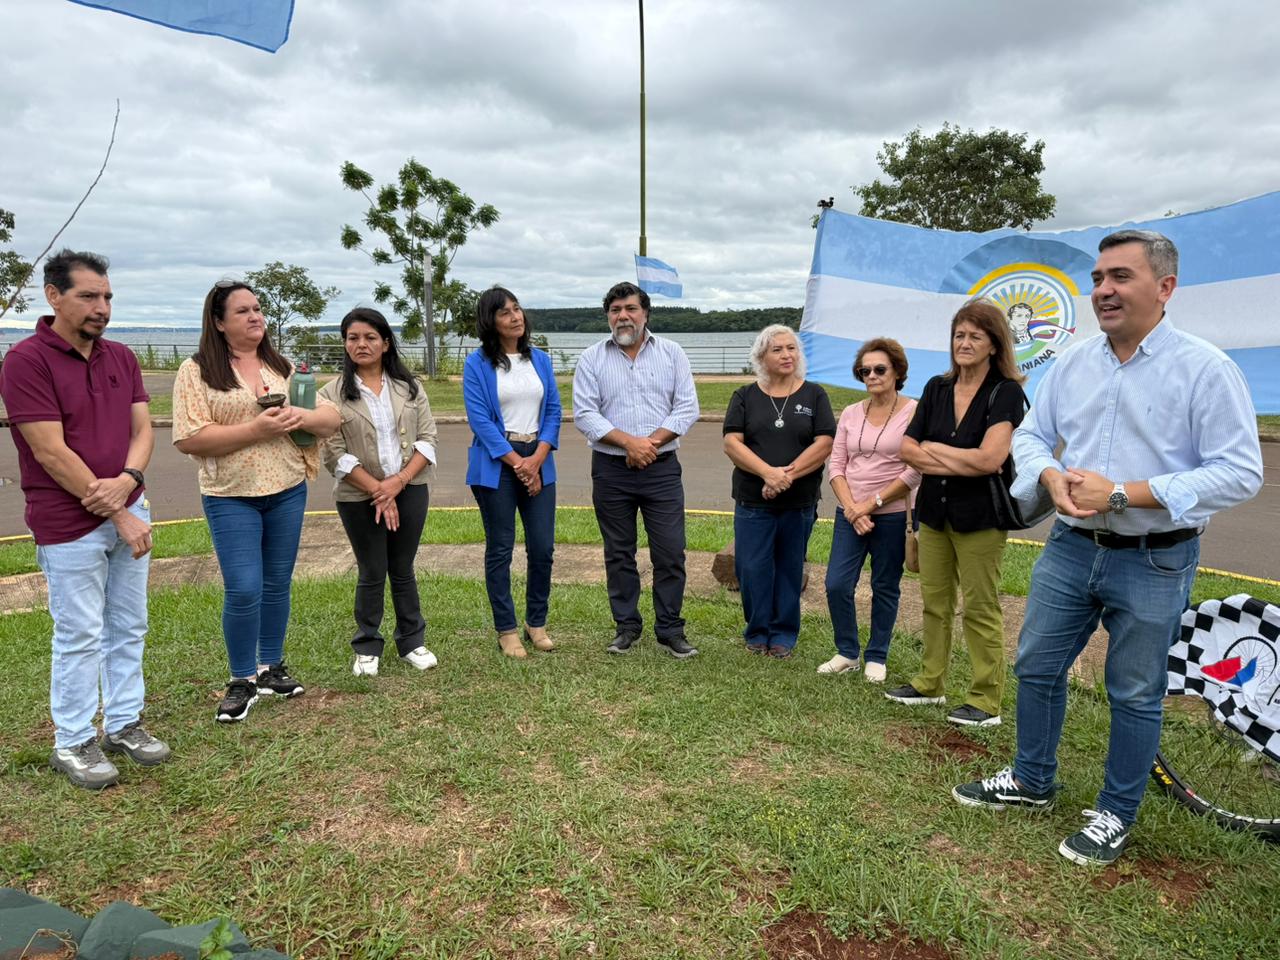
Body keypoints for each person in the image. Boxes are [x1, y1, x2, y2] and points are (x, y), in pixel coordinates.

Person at [953, 230, 1263, 866]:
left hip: (1157, 555)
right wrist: (1045, 474)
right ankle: (1032, 780)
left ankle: (1115, 813)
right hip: (1070, 545)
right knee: (1036, 666)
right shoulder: (1074, 362)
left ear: (1166, 287)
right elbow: (1033, 435)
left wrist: (1123, 493)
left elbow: (1240, 471)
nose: (1102, 291)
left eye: (1120, 277)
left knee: (1134, 690)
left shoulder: (1206, 368)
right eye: (1097, 279)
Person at [0, 249, 168, 789]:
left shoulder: (121, 357)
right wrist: (120, 510)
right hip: (66, 522)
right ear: (53, 296)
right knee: (79, 634)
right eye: (89, 296)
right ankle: (72, 740)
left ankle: (122, 723)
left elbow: (142, 432)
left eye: (108, 297)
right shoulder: (26, 361)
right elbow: (50, 452)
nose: (103, 307)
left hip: (127, 508)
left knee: (129, 624)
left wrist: (130, 482)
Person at [171, 280, 340, 722]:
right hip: (232, 495)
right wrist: (256, 429)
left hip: (286, 487)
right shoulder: (197, 371)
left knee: (276, 584)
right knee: (244, 587)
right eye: (243, 311)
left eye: (258, 309)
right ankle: (241, 678)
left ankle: (271, 667)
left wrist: (302, 416)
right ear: (218, 322)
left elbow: (329, 416)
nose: (255, 317)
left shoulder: (279, 366)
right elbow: (190, 438)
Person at [886, 299, 1027, 727]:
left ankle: (985, 701)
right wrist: (957, 457)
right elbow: (906, 449)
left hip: (981, 517)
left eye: (975, 337)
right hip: (934, 514)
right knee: (934, 602)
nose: (964, 343)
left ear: (993, 344)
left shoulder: (1006, 392)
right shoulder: (936, 388)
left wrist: (936, 452)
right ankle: (931, 682)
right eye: (959, 335)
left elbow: (991, 460)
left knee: (981, 607)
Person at [572, 282, 700, 658]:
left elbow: (686, 408)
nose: (622, 316)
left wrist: (649, 445)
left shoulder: (672, 353)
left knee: (671, 551)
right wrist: (630, 444)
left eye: (630, 308)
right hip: (611, 470)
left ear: (645, 313)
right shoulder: (592, 358)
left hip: (661, 468)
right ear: (607, 316)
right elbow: (585, 414)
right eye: (615, 309)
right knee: (618, 552)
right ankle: (626, 626)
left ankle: (670, 629)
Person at [320, 308, 439, 677]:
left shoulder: (410, 387)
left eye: (370, 337)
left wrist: (397, 484)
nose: (362, 344)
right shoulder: (330, 393)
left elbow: (428, 439)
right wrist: (378, 491)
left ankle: (412, 641)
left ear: (386, 343)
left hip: (410, 488)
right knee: (372, 569)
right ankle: (367, 645)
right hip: (358, 496)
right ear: (345, 344)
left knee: (402, 568)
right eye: (353, 337)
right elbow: (333, 453)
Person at [723, 325, 835, 658]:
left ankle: (784, 634)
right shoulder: (745, 396)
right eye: (777, 350)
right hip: (752, 501)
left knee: (789, 569)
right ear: (761, 357)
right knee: (752, 567)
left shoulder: (814, 395)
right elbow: (732, 443)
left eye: (791, 348)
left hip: (798, 502)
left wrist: (786, 476)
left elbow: (825, 442)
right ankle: (757, 631)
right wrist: (768, 474)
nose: (787, 355)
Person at [463, 287, 562, 659]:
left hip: (537, 456)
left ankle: (536, 623)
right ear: (491, 321)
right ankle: (506, 629)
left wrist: (536, 457)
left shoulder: (540, 360)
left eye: (518, 309)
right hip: (497, 463)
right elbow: (480, 421)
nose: (515, 317)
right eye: (505, 313)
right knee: (501, 549)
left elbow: (553, 409)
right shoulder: (477, 364)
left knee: (542, 547)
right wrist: (518, 464)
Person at [820, 338, 920, 680]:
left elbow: (914, 470)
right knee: (836, 583)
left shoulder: (913, 411)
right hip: (851, 514)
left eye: (880, 369)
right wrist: (852, 508)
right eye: (865, 370)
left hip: (892, 514)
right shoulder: (850, 413)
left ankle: (877, 655)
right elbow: (836, 465)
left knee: (885, 585)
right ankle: (848, 652)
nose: (872, 376)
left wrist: (872, 504)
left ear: (897, 372)